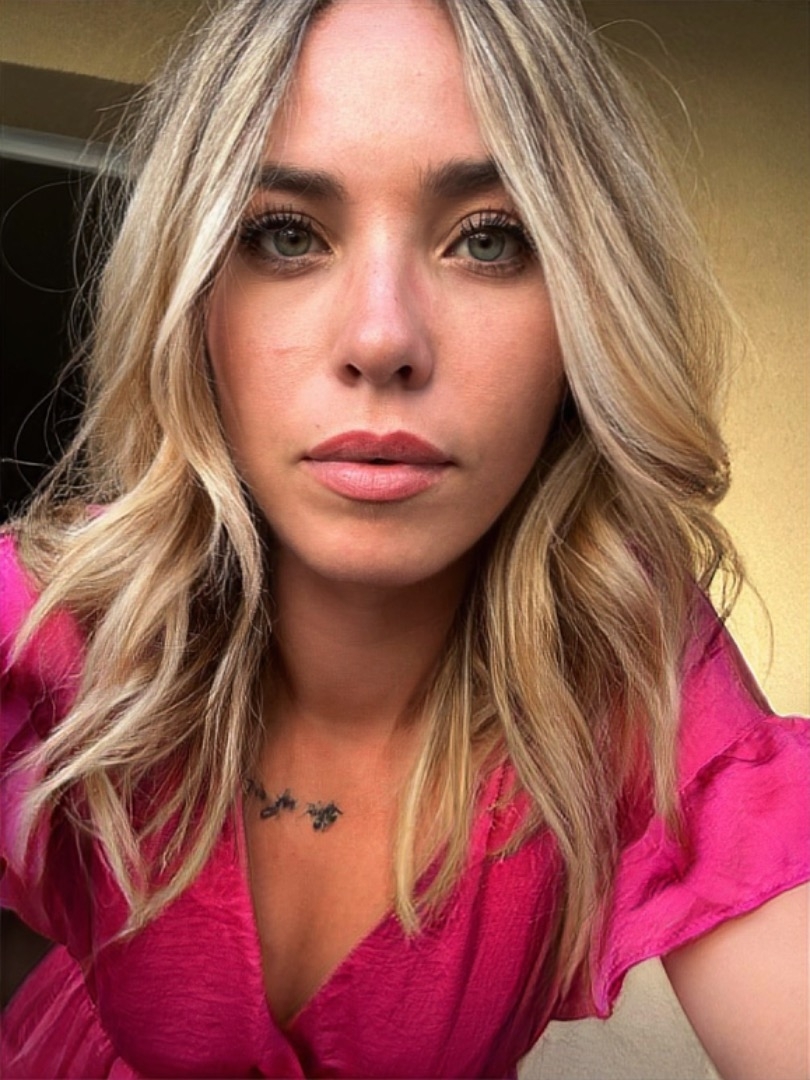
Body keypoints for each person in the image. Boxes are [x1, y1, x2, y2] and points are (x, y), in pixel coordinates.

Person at [1, 0, 807, 1077]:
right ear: (191, 305)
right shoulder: (52, 621)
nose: (383, 338)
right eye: (286, 234)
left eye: (490, 238)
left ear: (586, 312)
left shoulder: (627, 658)